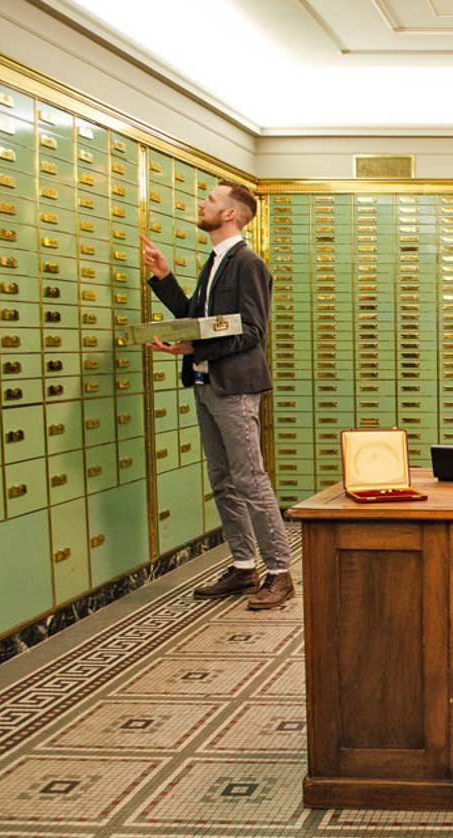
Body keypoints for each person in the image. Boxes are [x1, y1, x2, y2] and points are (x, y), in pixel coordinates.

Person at [139, 181, 293, 610]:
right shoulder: (215, 262)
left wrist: (194, 348)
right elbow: (195, 319)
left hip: (235, 387)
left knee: (250, 479)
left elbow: (252, 331)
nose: (202, 203)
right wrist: (164, 277)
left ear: (230, 214)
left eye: (210, 199)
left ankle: (280, 573)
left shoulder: (248, 264)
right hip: (206, 383)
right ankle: (244, 566)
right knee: (223, 481)